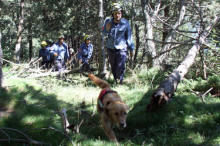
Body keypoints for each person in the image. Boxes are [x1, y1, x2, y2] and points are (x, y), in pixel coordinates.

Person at [102, 3, 134, 84]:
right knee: (113, 66)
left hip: (122, 48)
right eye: (115, 13)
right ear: (113, 14)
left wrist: (131, 49)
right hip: (111, 48)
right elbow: (103, 34)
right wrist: (107, 29)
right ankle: (116, 80)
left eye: (119, 13)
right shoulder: (107, 21)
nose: (117, 15)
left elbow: (129, 36)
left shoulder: (125, 22)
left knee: (121, 66)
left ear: (121, 13)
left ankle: (120, 81)